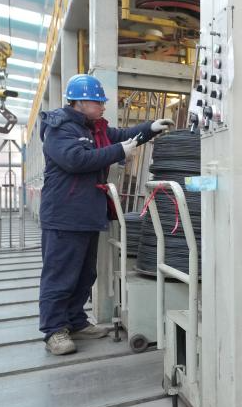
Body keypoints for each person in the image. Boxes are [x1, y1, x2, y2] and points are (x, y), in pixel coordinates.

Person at [37, 74, 174, 355]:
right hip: (64, 215)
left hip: (86, 214)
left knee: (84, 274)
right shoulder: (59, 128)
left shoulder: (94, 129)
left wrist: (150, 128)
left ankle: (75, 321)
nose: (103, 106)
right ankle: (54, 330)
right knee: (60, 275)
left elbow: (123, 137)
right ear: (79, 102)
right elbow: (76, 160)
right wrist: (118, 151)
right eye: (98, 102)